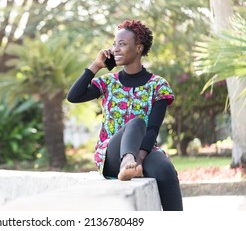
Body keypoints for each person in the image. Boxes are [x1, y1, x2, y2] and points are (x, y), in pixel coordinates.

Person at [66, 19, 183, 211]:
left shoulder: (158, 86)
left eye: (122, 44)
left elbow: (153, 128)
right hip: (110, 154)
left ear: (138, 48)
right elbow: (73, 96)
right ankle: (126, 162)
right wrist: (95, 65)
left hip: (144, 149)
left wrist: (139, 158)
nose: (115, 49)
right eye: (114, 44)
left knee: (165, 169)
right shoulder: (108, 83)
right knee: (136, 123)